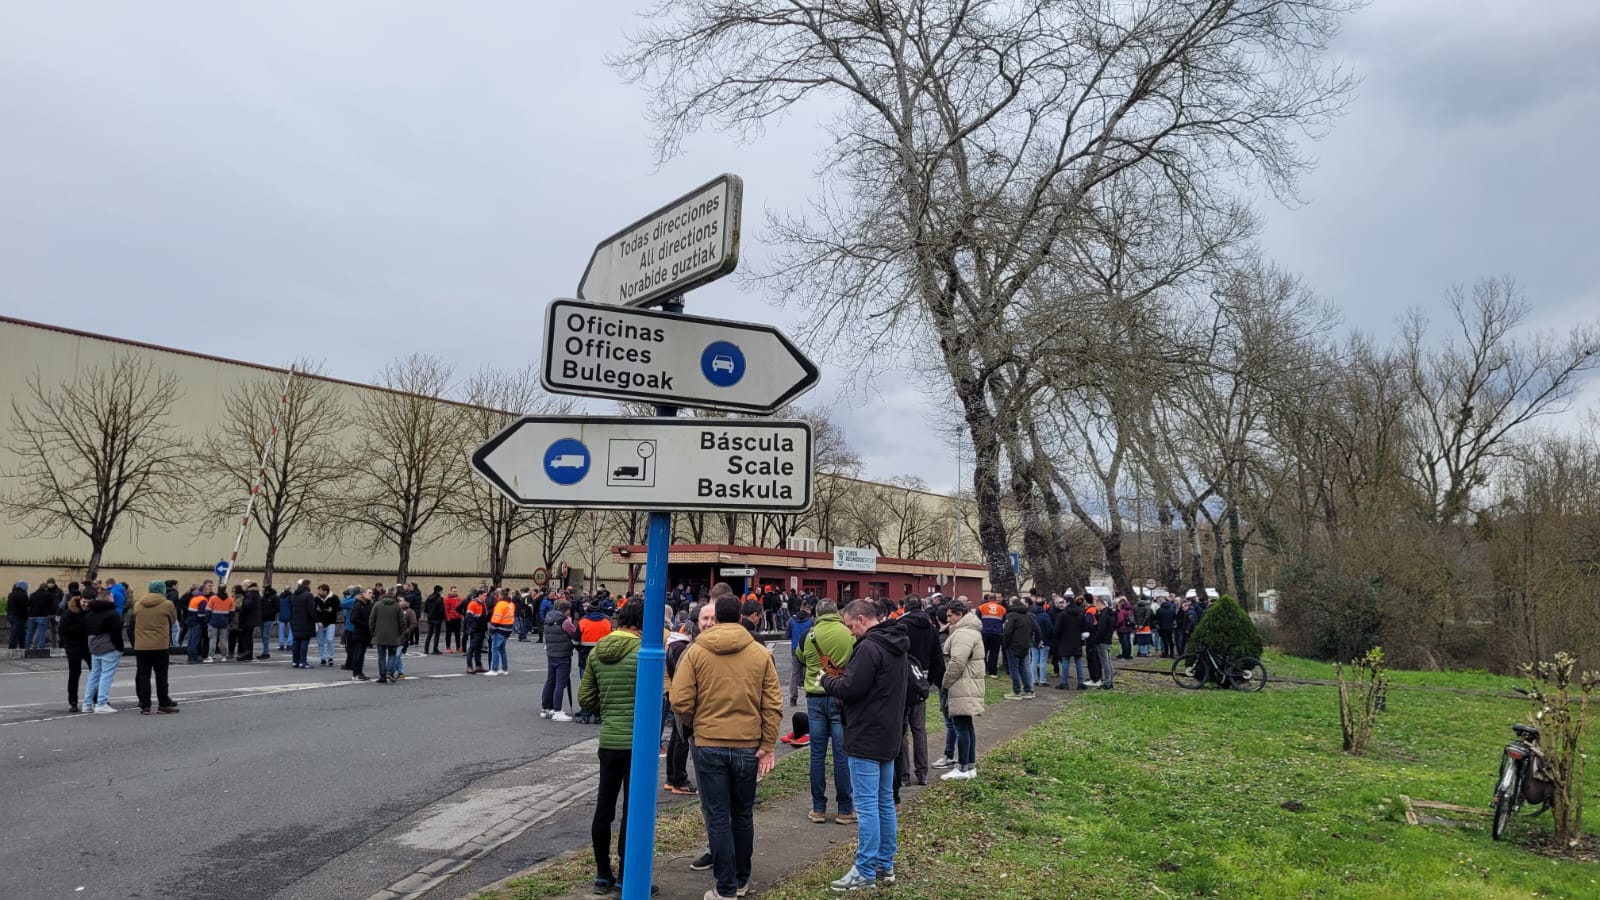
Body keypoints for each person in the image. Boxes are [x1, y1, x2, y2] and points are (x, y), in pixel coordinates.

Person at [670, 593, 783, 900]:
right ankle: (742, 879)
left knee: (718, 815)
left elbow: (679, 700)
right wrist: (768, 742)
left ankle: (725, 887)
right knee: (743, 814)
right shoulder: (760, 653)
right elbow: (773, 703)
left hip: (709, 743)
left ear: (716, 618)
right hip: (748, 744)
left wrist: (699, 722)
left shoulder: (696, 652)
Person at [819, 599, 910, 892]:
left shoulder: (869, 648)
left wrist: (826, 682)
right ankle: (885, 865)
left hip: (865, 735)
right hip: (889, 733)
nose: (849, 633)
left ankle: (864, 869)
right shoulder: (895, 643)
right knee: (885, 802)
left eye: (849, 626)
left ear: (861, 619)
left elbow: (851, 689)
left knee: (868, 805)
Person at [578, 599, 651, 895]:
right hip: (637, 743)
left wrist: (607, 711)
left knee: (603, 809)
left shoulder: (597, 652)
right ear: (642, 623)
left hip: (608, 740)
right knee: (633, 811)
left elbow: (585, 699)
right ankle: (626, 874)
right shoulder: (643, 653)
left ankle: (601, 874)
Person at [799, 598, 855, 825]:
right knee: (842, 757)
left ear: (817, 613)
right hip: (840, 698)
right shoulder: (848, 634)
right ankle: (844, 810)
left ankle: (818, 809)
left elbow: (800, 657)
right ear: (837, 612)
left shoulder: (809, 635)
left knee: (817, 755)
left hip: (814, 699)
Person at [665, 602, 715, 794]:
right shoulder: (683, 648)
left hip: (676, 695)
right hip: (682, 700)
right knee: (681, 740)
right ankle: (678, 779)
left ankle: (673, 778)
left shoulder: (677, 644)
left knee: (677, 739)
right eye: (706, 619)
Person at [897, 596, 943, 787]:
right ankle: (922, 772)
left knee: (901, 729)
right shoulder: (931, 627)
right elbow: (937, 656)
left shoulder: (900, 626)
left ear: (905, 607)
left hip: (901, 679)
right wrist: (931, 680)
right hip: (921, 678)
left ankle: (904, 774)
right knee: (919, 729)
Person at [940, 600, 985, 780]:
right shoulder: (972, 631)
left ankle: (962, 767)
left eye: (950, 615)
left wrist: (946, 682)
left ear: (960, 615)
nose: (948, 619)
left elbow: (957, 661)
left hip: (961, 684)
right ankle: (970, 765)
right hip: (968, 683)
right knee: (966, 726)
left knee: (961, 727)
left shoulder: (963, 633)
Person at [125, 581, 180, 715]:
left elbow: (134, 621)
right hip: (160, 645)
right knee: (161, 676)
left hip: (142, 646)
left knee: (144, 675)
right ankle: (163, 705)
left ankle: (145, 706)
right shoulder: (167, 604)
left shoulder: (138, 604)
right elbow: (173, 620)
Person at [83, 588, 124, 713]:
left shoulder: (90, 613)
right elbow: (116, 634)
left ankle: (87, 703)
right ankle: (101, 703)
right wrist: (120, 649)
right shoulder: (112, 614)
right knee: (106, 675)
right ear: (108, 598)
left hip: (94, 647)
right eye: (112, 596)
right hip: (109, 647)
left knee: (94, 675)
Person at [542, 599, 578, 721]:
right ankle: (557, 710)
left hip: (551, 653)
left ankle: (546, 708)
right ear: (566, 610)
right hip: (563, 654)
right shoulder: (564, 621)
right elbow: (574, 634)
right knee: (560, 683)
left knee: (550, 681)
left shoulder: (548, 619)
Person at [59, 586, 90, 711]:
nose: (86, 604)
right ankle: (73, 701)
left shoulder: (92, 612)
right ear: (80, 600)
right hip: (73, 647)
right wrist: (68, 645)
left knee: (95, 673)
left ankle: (97, 699)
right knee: (74, 675)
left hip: (89, 647)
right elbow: (62, 630)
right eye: (84, 601)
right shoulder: (69, 612)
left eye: (89, 602)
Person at [1000, 597, 1037, 700]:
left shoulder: (1011, 616)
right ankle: (1028, 690)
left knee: (1014, 669)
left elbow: (1007, 632)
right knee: (1023, 668)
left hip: (1013, 646)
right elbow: (1036, 629)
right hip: (1025, 645)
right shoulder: (1028, 616)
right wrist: (1037, 640)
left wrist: (1005, 644)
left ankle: (1016, 691)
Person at [370, 588, 405, 684]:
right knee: (392, 654)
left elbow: (371, 620)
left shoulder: (377, 605)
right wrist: (400, 633)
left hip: (379, 634)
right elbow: (402, 622)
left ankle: (382, 676)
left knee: (381, 656)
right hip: (394, 635)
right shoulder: (397, 606)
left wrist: (373, 632)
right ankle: (390, 672)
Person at [785, 602, 814, 707]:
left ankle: (793, 698)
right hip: (808, 649)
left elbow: (787, 634)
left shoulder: (791, 620)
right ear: (808, 610)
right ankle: (809, 695)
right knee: (810, 672)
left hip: (795, 649)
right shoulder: (811, 621)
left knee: (794, 674)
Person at [287, 579, 318, 669]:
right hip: (306, 622)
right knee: (304, 641)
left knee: (296, 641)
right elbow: (311, 610)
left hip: (295, 621)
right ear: (307, 585)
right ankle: (302, 662)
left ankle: (295, 661)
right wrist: (317, 620)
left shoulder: (293, 595)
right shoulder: (308, 595)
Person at [1091, 593, 1117, 690]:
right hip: (1107, 639)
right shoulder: (1110, 613)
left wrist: (1095, 640)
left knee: (1105, 661)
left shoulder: (1104, 615)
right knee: (1107, 661)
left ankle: (1107, 682)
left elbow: (1101, 629)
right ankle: (1109, 680)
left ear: (1099, 603)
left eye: (1096, 603)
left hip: (1102, 641)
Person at [976, 593, 1006, 676]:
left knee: (983, 652)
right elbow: (1003, 620)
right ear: (995, 599)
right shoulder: (1002, 609)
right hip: (997, 633)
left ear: (988, 599)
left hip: (984, 632)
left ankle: (984, 670)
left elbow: (977, 619)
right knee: (994, 653)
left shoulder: (981, 607)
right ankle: (993, 672)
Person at [487, 589, 516, 676]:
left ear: (500, 595)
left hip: (500, 628)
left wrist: (492, 629)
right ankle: (504, 668)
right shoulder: (511, 604)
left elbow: (496, 618)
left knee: (495, 649)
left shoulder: (500, 604)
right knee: (502, 649)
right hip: (508, 628)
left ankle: (494, 669)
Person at [347, 589, 373, 680]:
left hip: (366, 633)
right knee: (358, 653)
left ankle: (360, 672)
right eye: (369, 593)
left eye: (371, 593)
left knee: (362, 654)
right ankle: (356, 673)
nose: (371, 594)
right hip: (359, 633)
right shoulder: (358, 604)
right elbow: (353, 619)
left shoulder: (369, 604)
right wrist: (365, 624)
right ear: (364, 594)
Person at [463, 592, 489, 674]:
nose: (486, 597)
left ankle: (478, 665)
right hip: (476, 630)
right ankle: (469, 666)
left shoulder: (483, 604)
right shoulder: (473, 604)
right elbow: (468, 617)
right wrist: (475, 626)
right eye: (484, 595)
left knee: (478, 649)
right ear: (479, 595)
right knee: (472, 648)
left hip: (482, 630)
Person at [315, 584, 341, 666]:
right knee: (320, 641)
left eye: (320, 590)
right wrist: (317, 619)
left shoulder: (334, 597)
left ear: (325, 591)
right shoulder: (316, 598)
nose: (318, 592)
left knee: (330, 640)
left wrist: (332, 609)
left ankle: (330, 657)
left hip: (330, 622)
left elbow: (340, 607)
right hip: (320, 623)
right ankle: (322, 658)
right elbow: (313, 609)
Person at [235, 581, 262, 661]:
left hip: (248, 619)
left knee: (246, 637)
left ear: (247, 586)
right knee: (249, 637)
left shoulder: (249, 593)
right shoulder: (256, 593)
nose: (242, 588)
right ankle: (249, 654)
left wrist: (238, 609)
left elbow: (247, 606)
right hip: (253, 618)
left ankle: (247, 654)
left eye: (242, 586)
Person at [7, 582, 28, 658]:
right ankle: (14, 647)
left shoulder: (11, 594)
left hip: (11, 615)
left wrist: (8, 615)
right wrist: (25, 617)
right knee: (16, 632)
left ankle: (20, 646)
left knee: (17, 631)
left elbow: (8, 606)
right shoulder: (23, 595)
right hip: (19, 616)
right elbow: (24, 607)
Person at [423, 585, 446, 654]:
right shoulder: (439, 599)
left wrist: (429, 615)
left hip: (430, 618)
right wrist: (443, 617)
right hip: (437, 619)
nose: (442, 592)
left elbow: (426, 608)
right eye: (441, 590)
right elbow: (442, 610)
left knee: (429, 634)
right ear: (438, 591)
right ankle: (435, 649)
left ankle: (426, 649)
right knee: (437, 634)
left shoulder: (429, 597)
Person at [443, 587, 463, 652]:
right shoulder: (447, 599)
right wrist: (448, 618)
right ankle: (448, 647)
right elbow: (446, 610)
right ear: (451, 591)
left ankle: (458, 647)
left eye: (456, 591)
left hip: (457, 618)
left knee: (458, 633)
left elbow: (461, 608)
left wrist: (461, 616)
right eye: (454, 591)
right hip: (450, 619)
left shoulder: (459, 599)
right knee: (448, 634)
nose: (455, 592)